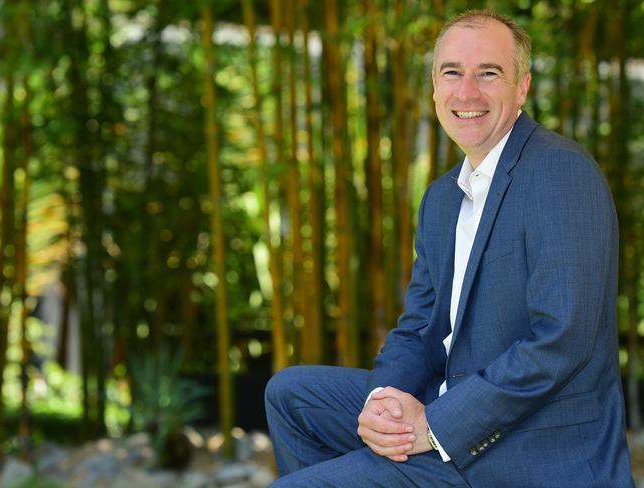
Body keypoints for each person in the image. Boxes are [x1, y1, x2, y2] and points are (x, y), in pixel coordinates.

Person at [265, 10, 634, 487]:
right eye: (452, 73)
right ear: (434, 87)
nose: (467, 92)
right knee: (291, 394)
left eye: (489, 73)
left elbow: (561, 341)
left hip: (530, 447)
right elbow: (419, 328)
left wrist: (436, 427)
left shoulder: (558, 172)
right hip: (453, 408)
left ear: (522, 86)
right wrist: (386, 398)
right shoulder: (443, 198)